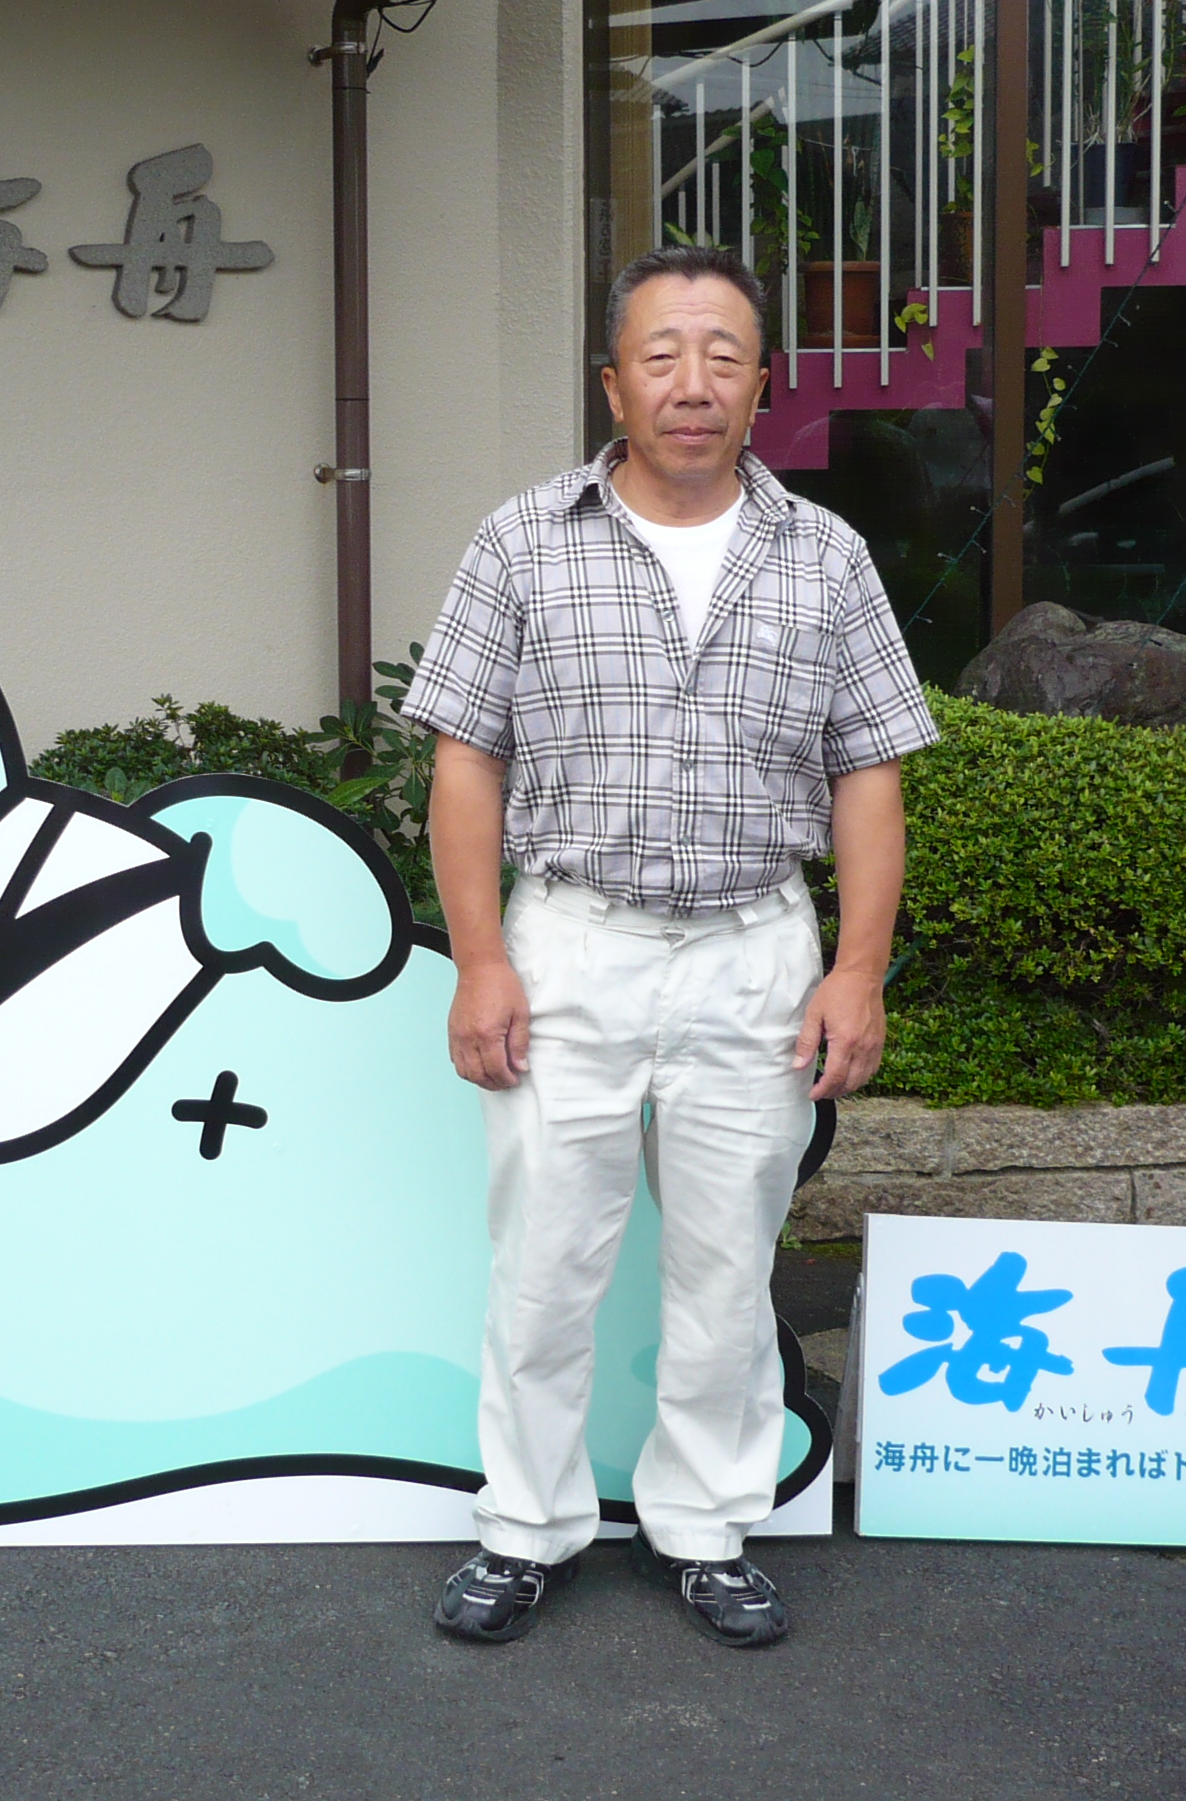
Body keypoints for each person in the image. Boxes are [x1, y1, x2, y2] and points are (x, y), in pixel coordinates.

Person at [401, 244, 938, 1649]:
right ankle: (523, 1527)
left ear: (764, 384)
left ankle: (705, 1526)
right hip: (570, 943)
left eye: (721, 355)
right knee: (544, 1262)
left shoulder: (826, 556)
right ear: (612, 384)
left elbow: (869, 772)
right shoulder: (523, 540)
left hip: (754, 949)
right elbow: (466, 761)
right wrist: (478, 957)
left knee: (725, 1265)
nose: (691, 382)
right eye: (661, 354)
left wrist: (857, 971)